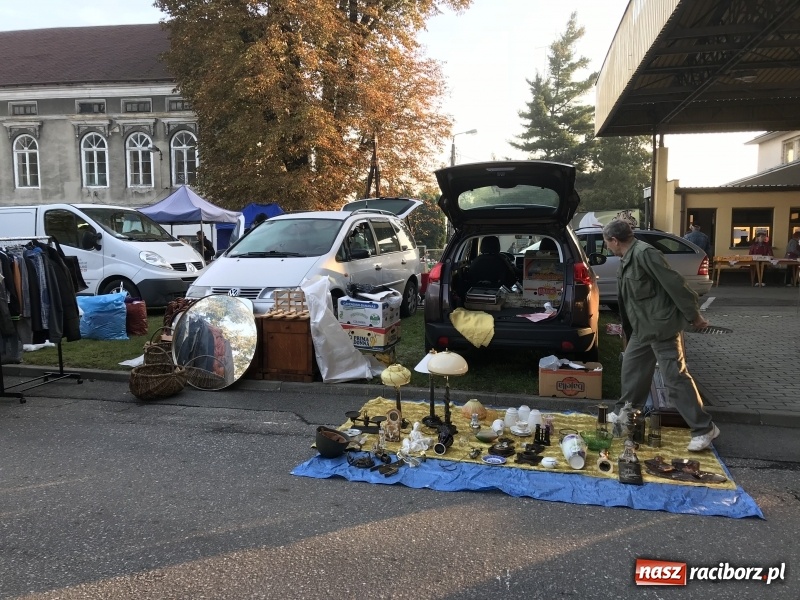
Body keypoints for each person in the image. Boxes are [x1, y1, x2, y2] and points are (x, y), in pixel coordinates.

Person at [602, 219, 720, 452]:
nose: (607, 247)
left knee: (675, 378)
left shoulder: (646, 253)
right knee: (632, 368)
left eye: (607, 242)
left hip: (661, 327)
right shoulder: (627, 257)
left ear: (615, 240)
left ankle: (704, 429)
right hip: (642, 328)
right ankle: (627, 412)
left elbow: (676, 284)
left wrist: (694, 316)